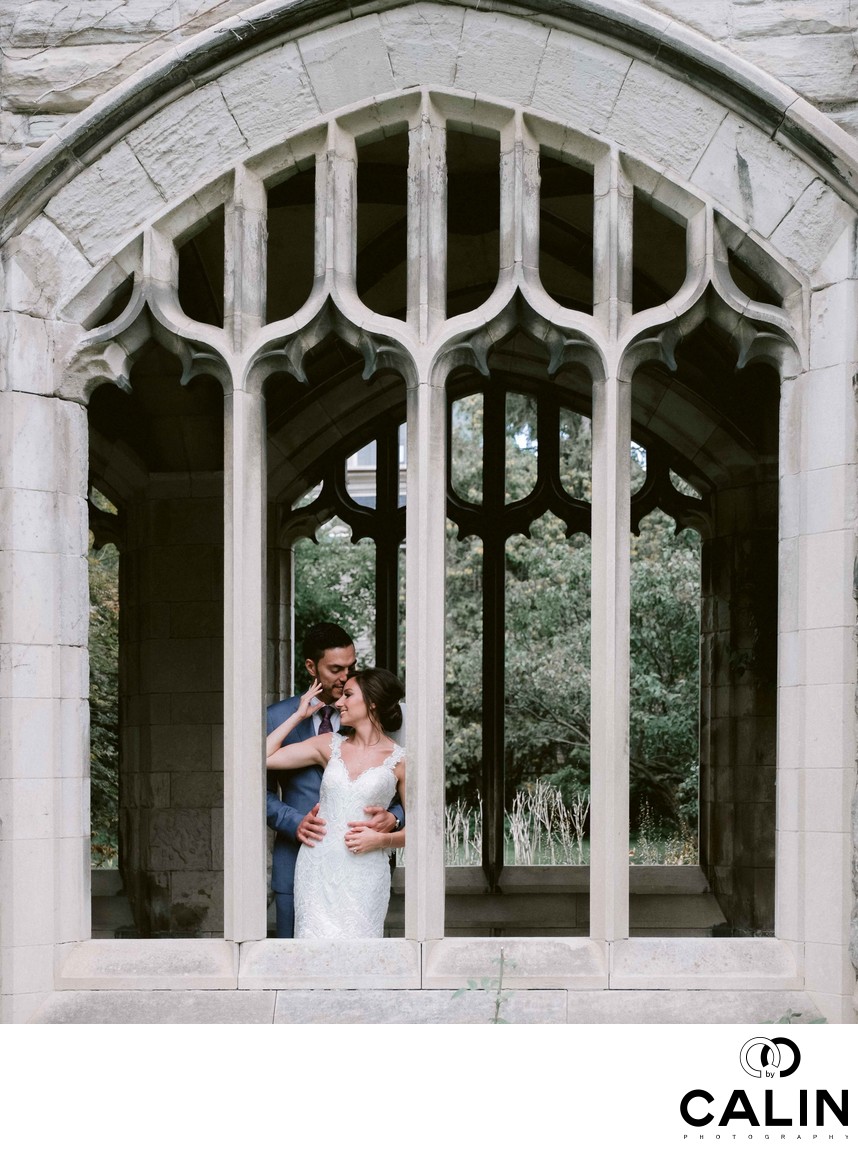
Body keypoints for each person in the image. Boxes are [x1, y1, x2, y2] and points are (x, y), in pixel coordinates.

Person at [266, 623, 403, 937]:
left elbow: (413, 798)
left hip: (362, 865)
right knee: (297, 959)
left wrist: (393, 820)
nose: (345, 678)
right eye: (336, 669)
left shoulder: (382, 712)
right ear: (312, 667)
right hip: (301, 858)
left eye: (351, 667)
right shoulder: (278, 718)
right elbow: (252, 786)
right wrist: (293, 820)